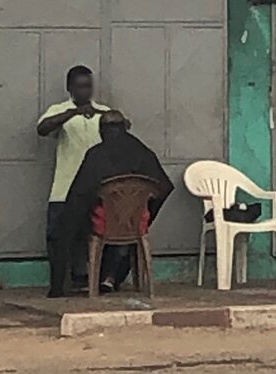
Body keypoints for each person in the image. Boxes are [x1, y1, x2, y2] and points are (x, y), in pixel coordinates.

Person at [60, 111, 174, 294]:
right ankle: (110, 277)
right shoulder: (143, 152)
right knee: (125, 220)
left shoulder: (96, 154)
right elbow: (165, 186)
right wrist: (145, 212)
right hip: (136, 222)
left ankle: (76, 279)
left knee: (72, 219)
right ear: (125, 127)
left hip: (104, 223)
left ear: (101, 130)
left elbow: (80, 194)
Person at [37, 66, 110, 298]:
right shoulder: (60, 110)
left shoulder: (102, 111)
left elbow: (122, 129)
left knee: (94, 236)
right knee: (58, 237)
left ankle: (93, 281)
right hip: (65, 187)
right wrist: (74, 113)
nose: (85, 91)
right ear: (70, 88)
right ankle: (58, 285)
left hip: (97, 189)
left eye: (88, 86)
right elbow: (43, 128)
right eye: (80, 86)